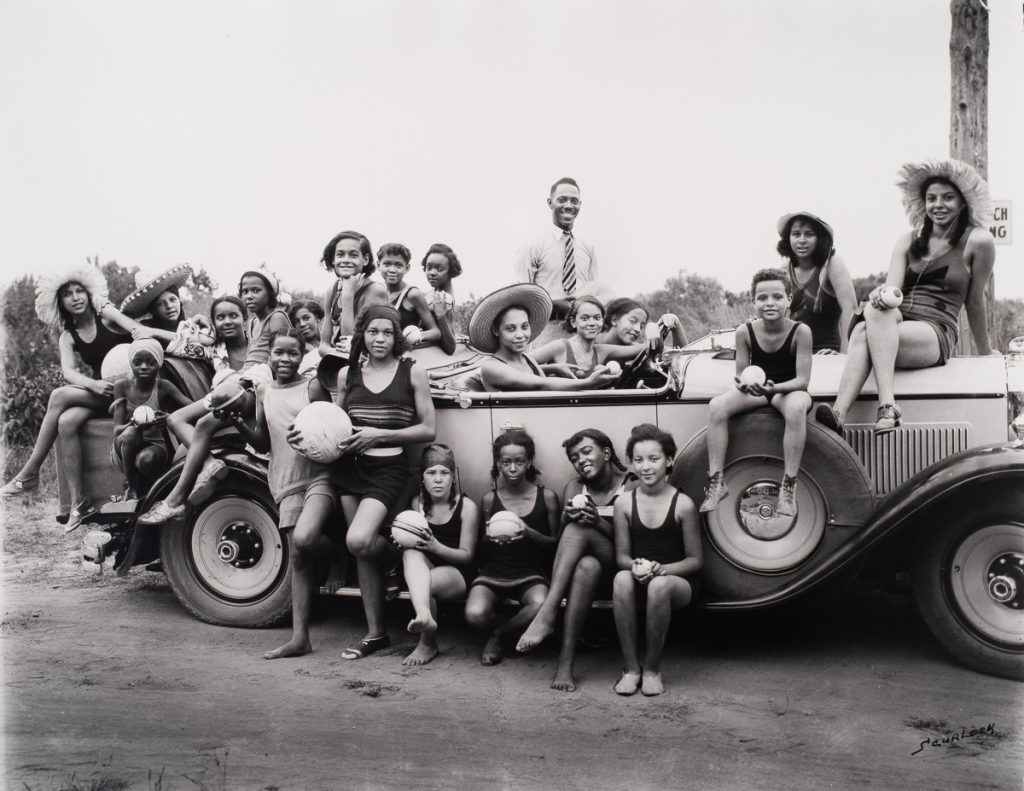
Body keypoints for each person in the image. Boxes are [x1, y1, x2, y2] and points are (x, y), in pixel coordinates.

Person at [816, 159, 997, 435]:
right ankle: (850, 413)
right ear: (923, 203)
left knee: (866, 331)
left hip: (935, 329)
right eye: (931, 198)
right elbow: (892, 294)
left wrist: (985, 353)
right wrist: (879, 296)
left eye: (948, 198)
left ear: (962, 203)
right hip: (895, 322)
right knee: (873, 315)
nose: (939, 205)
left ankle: (874, 407)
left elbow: (974, 301)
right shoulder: (906, 241)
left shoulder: (979, 241)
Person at [138, 268, 291, 524]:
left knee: (198, 418)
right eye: (245, 290)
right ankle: (205, 469)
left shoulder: (277, 318)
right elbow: (184, 342)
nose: (250, 295)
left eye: (256, 290)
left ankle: (175, 500)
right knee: (179, 420)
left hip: (250, 388)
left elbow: (280, 358)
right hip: (238, 388)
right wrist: (195, 321)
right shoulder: (251, 324)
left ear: (271, 292)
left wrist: (245, 380)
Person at [1, 265, 145, 528]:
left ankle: (29, 472)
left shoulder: (107, 317)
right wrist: (92, 384)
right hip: (102, 393)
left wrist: (134, 359)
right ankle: (78, 504)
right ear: (61, 303)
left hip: (131, 390)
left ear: (90, 295)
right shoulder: (68, 336)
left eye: (80, 291)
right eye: (68, 294)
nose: (76, 297)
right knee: (66, 421)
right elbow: (68, 371)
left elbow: (137, 330)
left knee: (57, 395)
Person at [332, 304, 436, 660]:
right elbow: (336, 422)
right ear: (362, 334)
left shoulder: (412, 372)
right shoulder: (349, 375)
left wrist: (379, 436)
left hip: (389, 470)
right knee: (360, 551)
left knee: (360, 539)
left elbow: (428, 429)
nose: (380, 339)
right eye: (373, 332)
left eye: (387, 332)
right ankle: (376, 634)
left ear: (397, 337)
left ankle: (394, 556)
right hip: (350, 469)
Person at [228, 329, 337, 660]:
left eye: (292, 353)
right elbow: (264, 440)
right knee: (299, 557)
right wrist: (240, 426)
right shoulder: (266, 392)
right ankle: (300, 638)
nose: (285, 359)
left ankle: (339, 555)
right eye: (279, 353)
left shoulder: (312, 386)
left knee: (304, 540)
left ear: (302, 355)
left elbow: (333, 428)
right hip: (285, 481)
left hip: (319, 475)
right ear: (269, 356)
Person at [515, 429, 636, 691]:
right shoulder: (574, 487)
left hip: (623, 571)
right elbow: (563, 543)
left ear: (605, 453)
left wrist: (597, 522)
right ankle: (565, 665)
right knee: (585, 566)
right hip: (587, 577)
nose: (580, 460)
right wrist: (568, 518)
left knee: (581, 529)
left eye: (586, 452)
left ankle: (547, 614)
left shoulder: (632, 484)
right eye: (573, 457)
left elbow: (635, 544)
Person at [701, 268, 813, 517]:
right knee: (717, 406)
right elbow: (741, 374)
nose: (770, 303)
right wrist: (742, 385)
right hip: (759, 390)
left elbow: (803, 381)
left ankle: (788, 487)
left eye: (777, 296)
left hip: (789, 390)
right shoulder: (745, 332)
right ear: (753, 302)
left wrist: (774, 388)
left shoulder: (801, 331)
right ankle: (717, 481)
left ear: (789, 300)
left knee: (796, 408)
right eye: (762, 298)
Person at [612, 423, 701, 697]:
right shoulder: (624, 503)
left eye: (654, 459)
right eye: (638, 460)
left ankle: (651, 669)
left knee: (659, 586)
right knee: (621, 578)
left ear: (670, 460)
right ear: (631, 463)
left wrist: (662, 570)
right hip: (641, 578)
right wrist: (635, 567)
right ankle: (630, 669)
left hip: (677, 583)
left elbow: (695, 561)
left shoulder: (683, 504)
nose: (646, 467)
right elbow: (621, 558)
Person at [466, 429, 559, 666]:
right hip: (494, 572)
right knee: (474, 615)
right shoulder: (489, 499)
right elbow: (481, 551)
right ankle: (517, 623)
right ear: (498, 464)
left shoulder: (546, 497)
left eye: (519, 461)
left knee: (539, 604)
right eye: (506, 462)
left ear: (528, 462)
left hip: (530, 573)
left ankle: (499, 635)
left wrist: (528, 533)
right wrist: (490, 538)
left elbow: (556, 546)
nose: (513, 468)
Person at [398, 443, 479, 666]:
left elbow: (468, 556)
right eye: (431, 473)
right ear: (422, 478)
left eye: (444, 473)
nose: (438, 479)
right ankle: (425, 616)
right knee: (409, 555)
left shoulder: (467, 506)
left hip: (459, 572)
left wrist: (436, 547)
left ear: (453, 477)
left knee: (424, 584)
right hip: (425, 566)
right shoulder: (416, 504)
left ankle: (427, 642)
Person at [467, 284, 618, 392]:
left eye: (525, 327)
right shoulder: (492, 367)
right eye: (510, 328)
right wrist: (588, 383)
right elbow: (540, 384)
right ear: (496, 330)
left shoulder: (527, 360)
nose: (520, 335)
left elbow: (525, 372)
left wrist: (554, 368)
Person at [513, 177, 598, 345]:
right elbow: (518, 296)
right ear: (550, 203)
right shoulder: (533, 245)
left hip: (581, 337)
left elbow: (594, 293)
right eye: (562, 200)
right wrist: (552, 306)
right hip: (544, 334)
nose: (568, 206)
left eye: (574, 201)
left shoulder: (587, 248)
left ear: (580, 205)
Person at [109, 338, 191, 502]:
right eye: (138, 362)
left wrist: (169, 418)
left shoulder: (163, 386)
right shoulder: (122, 386)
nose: (144, 367)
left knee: (145, 460)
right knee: (131, 434)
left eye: (150, 362)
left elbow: (192, 407)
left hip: (155, 444)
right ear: (131, 364)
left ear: (159, 364)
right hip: (125, 445)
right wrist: (134, 423)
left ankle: (150, 493)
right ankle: (131, 488)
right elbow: (117, 430)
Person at [776, 212, 857, 353]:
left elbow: (850, 309)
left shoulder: (832, 264)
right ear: (788, 238)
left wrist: (844, 356)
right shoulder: (784, 270)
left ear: (819, 238)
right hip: (795, 354)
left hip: (827, 353)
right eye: (796, 234)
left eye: (809, 234)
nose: (801, 240)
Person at [530, 296, 649, 378]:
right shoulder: (560, 346)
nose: (592, 323)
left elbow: (647, 348)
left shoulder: (602, 350)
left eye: (597, 318)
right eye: (585, 318)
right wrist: (552, 369)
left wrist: (656, 330)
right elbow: (516, 365)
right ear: (573, 322)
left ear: (603, 321)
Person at [318, 230, 388, 356]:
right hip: (336, 359)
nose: (345, 260)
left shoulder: (375, 291)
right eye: (340, 255)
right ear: (333, 260)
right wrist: (335, 352)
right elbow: (323, 347)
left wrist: (348, 297)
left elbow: (350, 345)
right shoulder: (332, 290)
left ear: (365, 260)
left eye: (353, 255)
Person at [377, 243, 441, 344]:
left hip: (408, 355)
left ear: (407, 268)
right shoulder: (377, 292)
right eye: (387, 264)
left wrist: (417, 335)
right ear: (378, 265)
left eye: (398, 265)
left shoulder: (412, 295)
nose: (392, 270)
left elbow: (436, 332)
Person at [597, 298, 687, 350]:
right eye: (632, 321)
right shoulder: (591, 342)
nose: (637, 329)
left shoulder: (634, 349)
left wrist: (675, 324)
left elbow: (681, 357)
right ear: (614, 320)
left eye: (642, 326)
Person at [421, 243, 462, 355]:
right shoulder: (433, 294)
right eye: (429, 267)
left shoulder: (445, 299)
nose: (432, 273)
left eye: (440, 269)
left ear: (451, 270)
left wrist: (441, 316)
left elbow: (451, 348)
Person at [287, 299, 324, 377]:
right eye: (296, 322)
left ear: (317, 317)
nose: (302, 324)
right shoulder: (296, 349)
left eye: (306, 318)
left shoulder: (331, 341)